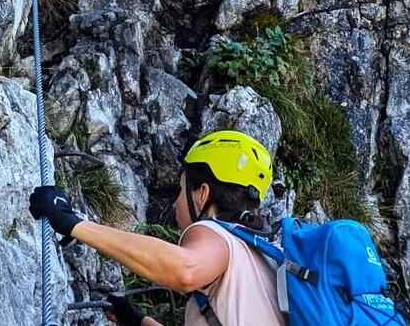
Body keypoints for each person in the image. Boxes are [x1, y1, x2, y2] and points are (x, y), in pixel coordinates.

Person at [29, 130, 285, 326]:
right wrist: (138, 321)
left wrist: (72, 223)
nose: (175, 203)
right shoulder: (263, 257)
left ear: (202, 194)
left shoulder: (218, 234)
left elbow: (185, 271)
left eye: (181, 190)